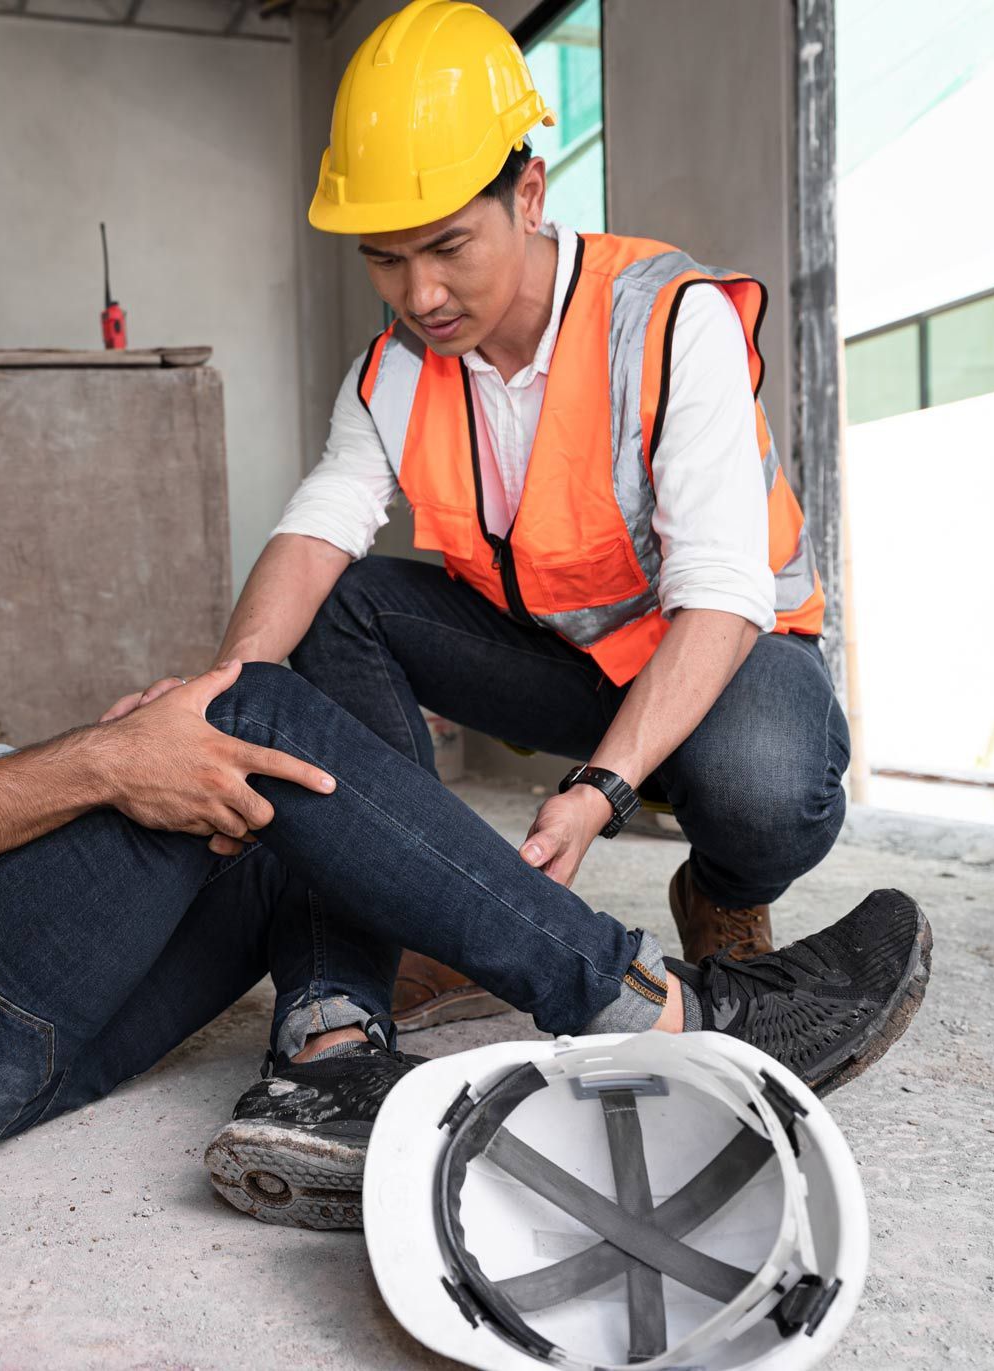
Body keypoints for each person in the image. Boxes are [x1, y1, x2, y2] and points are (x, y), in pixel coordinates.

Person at [0, 295, 928, 1232]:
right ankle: (661, 1002)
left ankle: (324, 1062)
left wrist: (133, 773)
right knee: (259, 718)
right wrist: (113, 763)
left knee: (269, 786)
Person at [113, 0, 849, 1032]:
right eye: (384, 257)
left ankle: (723, 891)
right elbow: (322, 527)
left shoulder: (670, 317)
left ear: (530, 190)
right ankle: (428, 905)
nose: (420, 293)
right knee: (341, 605)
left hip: (727, 657)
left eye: (449, 245)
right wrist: (219, 701)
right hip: (565, 666)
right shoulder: (391, 376)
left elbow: (724, 594)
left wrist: (598, 794)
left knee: (768, 786)